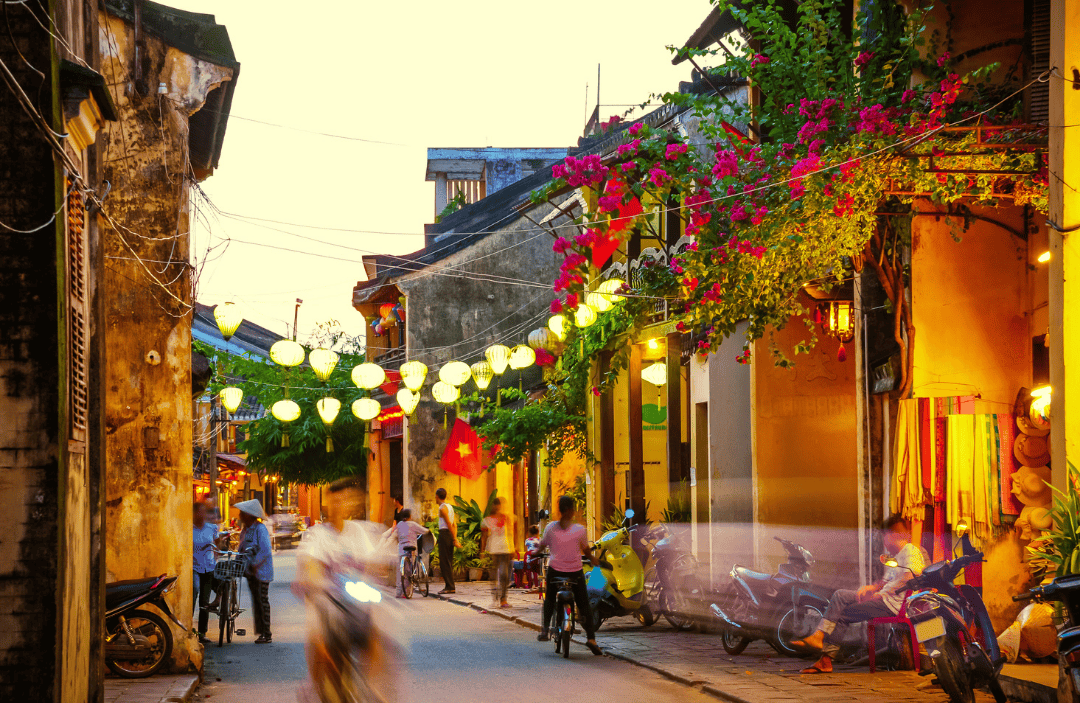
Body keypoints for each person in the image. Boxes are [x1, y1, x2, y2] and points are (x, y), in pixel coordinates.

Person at [294, 477, 394, 703]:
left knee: (381, 629)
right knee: (316, 632)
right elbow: (309, 564)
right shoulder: (316, 535)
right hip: (327, 601)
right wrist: (312, 579)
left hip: (355, 601)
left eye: (346, 500)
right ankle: (315, 683)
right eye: (336, 500)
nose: (341, 505)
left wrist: (379, 568)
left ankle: (376, 688)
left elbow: (373, 562)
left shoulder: (361, 532)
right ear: (328, 502)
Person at [791, 514, 928, 673]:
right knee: (840, 602)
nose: (884, 542)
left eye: (884, 537)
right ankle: (821, 643)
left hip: (892, 605)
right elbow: (886, 582)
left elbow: (913, 575)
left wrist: (881, 594)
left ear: (892, 535)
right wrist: (871, 589)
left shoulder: (911, 551)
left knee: (842, 606)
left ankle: (823, 651)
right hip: (883, 600)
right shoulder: (897, 557)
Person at [538, 495, 602, 656]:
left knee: (550, 599)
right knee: (583, 604)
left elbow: (541, 546)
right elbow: (587, 552)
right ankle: (591, 639)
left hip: (555, 572)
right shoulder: (580, 530)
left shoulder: (550, 528)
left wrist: (534, 553)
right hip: (575, 573)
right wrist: (595, 560)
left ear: (560, 510)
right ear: (571, 511)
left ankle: (545, 630)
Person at [236, 499, 274, 644]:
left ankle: (267, 633)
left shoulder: (260, 529)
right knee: (256, 602)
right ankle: (261, 633)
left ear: (249, 515)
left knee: (262, 601)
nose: (239, 515)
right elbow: (242, 547)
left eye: (242, 513)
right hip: (250, 571)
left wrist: (255, 565)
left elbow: (264, 550)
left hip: (261, 572)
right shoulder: (246, 530)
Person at [192, 501, 222, 643]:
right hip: (193, 567)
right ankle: (187, 628)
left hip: (208, 566)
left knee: (204, 601)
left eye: (205, 512)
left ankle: (202, 632)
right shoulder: (188, 529)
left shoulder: (211, 528)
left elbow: (217, 542)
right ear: (195, 513)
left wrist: (216, 554)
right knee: (194, 590)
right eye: (201, 512)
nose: (204, 515)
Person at [386, 509, 430, 598]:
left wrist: (385, 546)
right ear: (410, 516)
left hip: (402, 550)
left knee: (400, 572)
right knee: (410, 571)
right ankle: (407, 592)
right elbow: (425, 531)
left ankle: (398, 593)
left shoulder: (399, 525)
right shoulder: (413, 524)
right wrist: (427, 530)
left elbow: (393, 536)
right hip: (412, 550)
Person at [481, 498, 516, 608]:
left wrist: (513, 547)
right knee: (493, 575)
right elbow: (484, 536)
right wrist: (482, 551)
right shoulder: (487, 520)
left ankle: (503, 599)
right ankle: (495, 596)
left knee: (504, 575)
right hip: (494, 549)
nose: (498, 508)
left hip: (505, 548)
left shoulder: (506, 517)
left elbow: (510, 532)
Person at [435, 488, 461, 594]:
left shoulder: (442, 508)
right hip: (449, 534)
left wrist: (454, 538)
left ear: (437, 496)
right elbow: (454, 524)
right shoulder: (450, 507)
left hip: (445, 534)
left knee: (444, 561)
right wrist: (454, 537)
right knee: (448, 561)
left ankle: (449, 586)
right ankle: (450, 585)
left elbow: (449, 524)